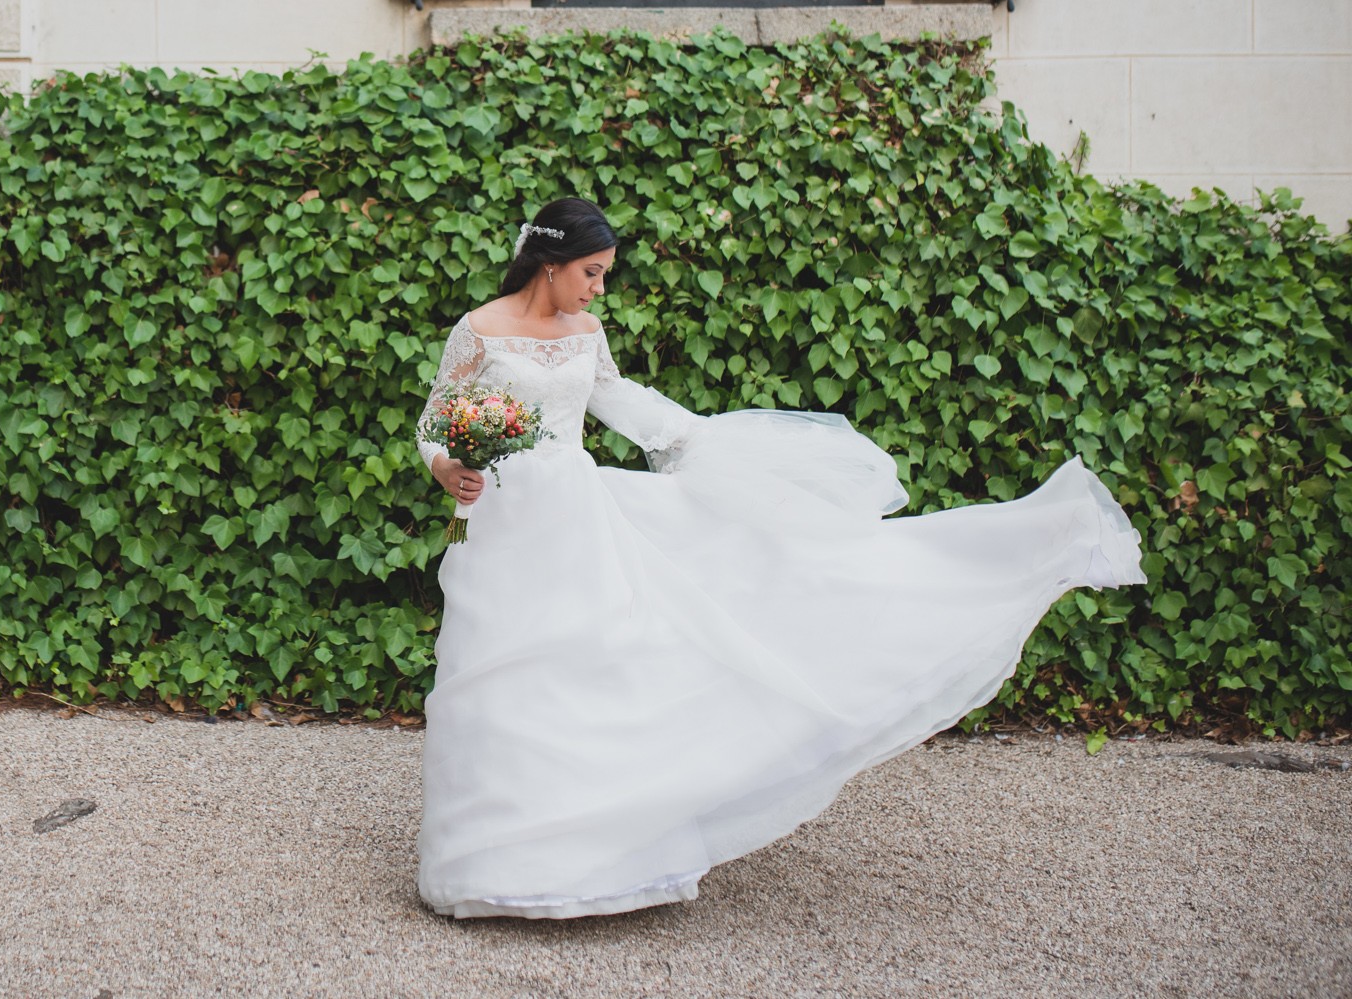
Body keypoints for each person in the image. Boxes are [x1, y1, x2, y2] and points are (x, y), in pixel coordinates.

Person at [413, 197, 1145, 919]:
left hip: (576, 513)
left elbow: (618, 397)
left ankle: (583, 856)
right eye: (592, 272)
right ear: (549, 263)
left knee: (587, 668)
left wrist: (705, 445)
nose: (600, 288)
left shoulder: (587, 331)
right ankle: (482, 862)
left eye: (604, 274)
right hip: (494, 520)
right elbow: (434, 420)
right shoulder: (477, 329)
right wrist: (448, 468)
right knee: (498, 671)